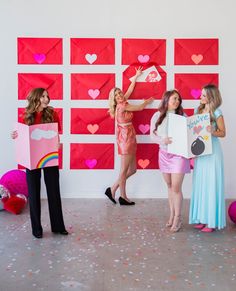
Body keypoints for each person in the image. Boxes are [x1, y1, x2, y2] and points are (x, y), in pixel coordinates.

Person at [12, 88, 68, 238]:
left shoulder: (52, 113)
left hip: (49, 156)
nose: (46, 99)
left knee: (54, 191)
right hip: (31, 159)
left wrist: (58, 144)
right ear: (35, 98)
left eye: (47, 96)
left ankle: (58, 226)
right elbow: (20, 136)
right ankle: (36, 229)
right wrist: (15, 135)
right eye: (43, 96)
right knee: (34, 193)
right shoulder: (24, 115)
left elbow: (56, 135)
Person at [105, 67, 153, 206]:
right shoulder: (122, 107)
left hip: (129, 136)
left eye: (120, 92)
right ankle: (123, 197)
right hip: (125, 139)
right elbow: (139, 108)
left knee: (133, 169)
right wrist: (146, 102)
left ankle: (113, 188)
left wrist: (136, 76)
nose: (120, 95)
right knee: (124, 170)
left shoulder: (123, 101)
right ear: (114, 99)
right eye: (117, 95)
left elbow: (130, 90)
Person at [150, 90, 190, 232]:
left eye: (178, 99)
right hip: (164, 154)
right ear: (166, 100)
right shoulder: (157, 115)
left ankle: (178, 218)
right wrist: (163, 140)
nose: (177, 101)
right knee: (169, 185)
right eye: (174, 98)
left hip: (178, 155)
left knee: (176, 188)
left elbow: (190, 135)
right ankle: (172, 214)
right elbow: (152, 136)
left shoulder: (183, 117)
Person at [189, 84, 226, 232]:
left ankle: (211, 221)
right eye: (201, 94)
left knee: (211, 185)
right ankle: (202, 219)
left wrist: (212, 130)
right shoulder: (197, 110)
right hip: (201, 152)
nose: (201, 97)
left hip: (213, 153)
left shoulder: (217, 112)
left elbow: (223, 133)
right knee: (201, 185)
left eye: (204, 95)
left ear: (211, 97)